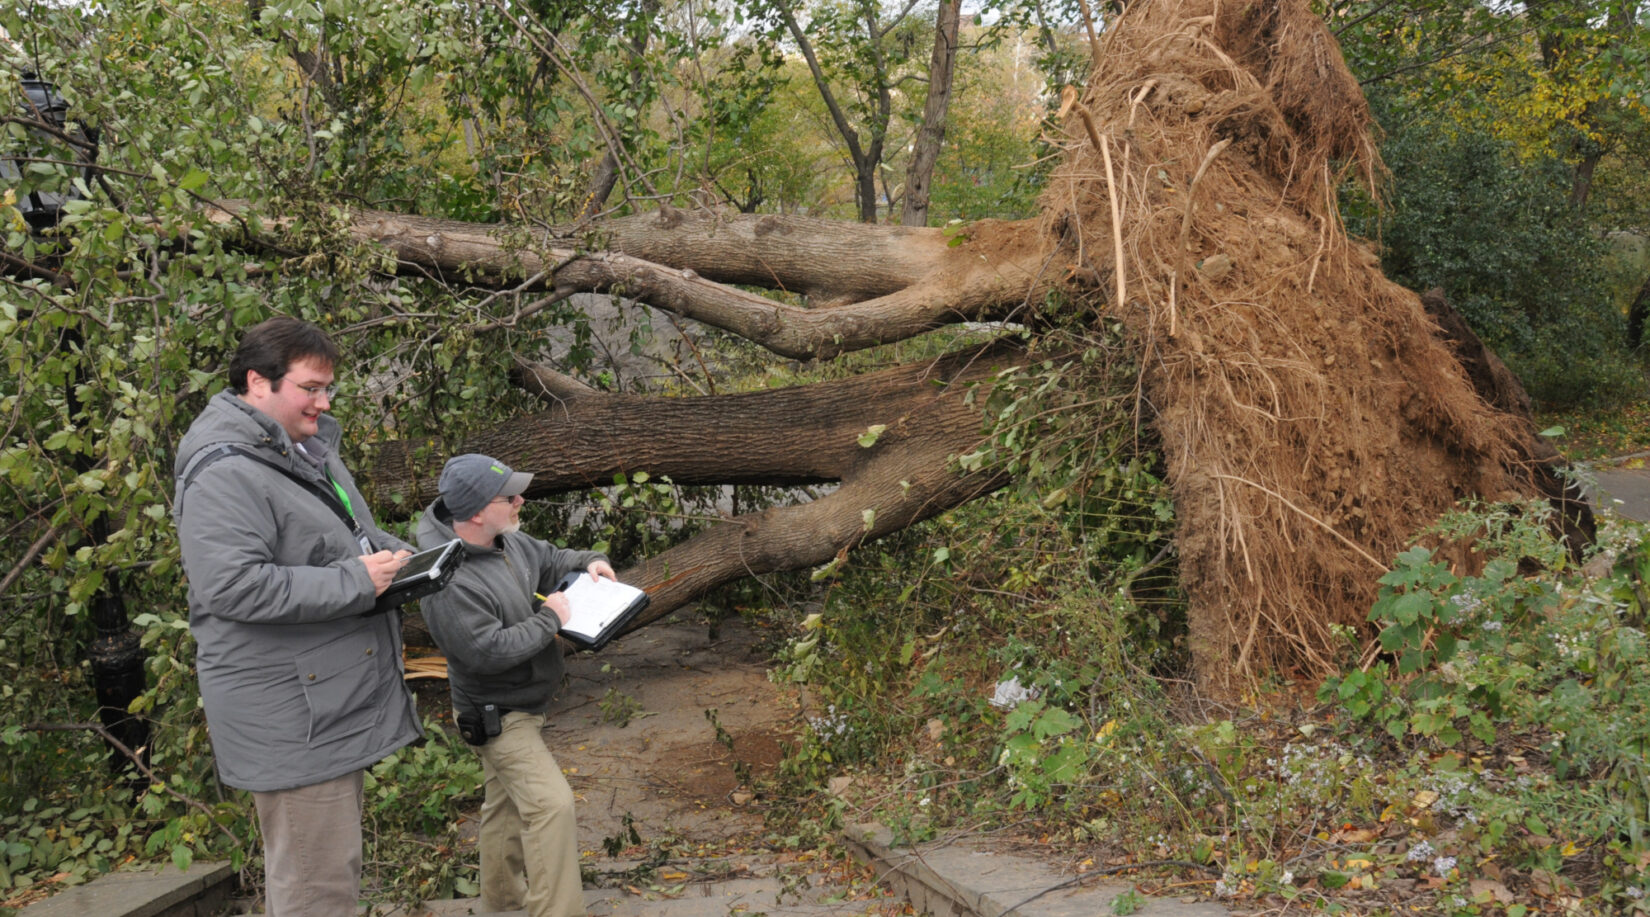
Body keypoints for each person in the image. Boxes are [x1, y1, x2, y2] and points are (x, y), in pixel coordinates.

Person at [172, 316, 422, 917]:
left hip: (321, 706)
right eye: (311, 388)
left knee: (330, 877)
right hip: (290, 717)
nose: (324, 400)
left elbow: (345, 537)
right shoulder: (224, 470)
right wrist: (355, 580)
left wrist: (398, 556)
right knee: (316, 891)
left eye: (327, 387)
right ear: (258, 382)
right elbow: (231, 586)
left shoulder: (304, 448)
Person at [415, 453, 615, 917]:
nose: (521, 499)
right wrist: (550, 619)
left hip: (525, 700)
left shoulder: (506, 539)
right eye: (511, 496)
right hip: (497, 714)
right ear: (478, 511)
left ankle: (502, 905)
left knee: (505, 808)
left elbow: (553, 558)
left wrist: (593, 561)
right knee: (551, 806)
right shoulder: (449, 582)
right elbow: (485, 652)